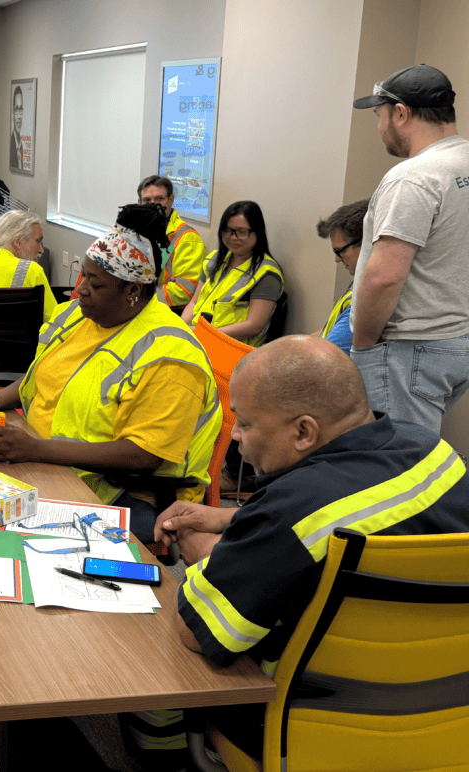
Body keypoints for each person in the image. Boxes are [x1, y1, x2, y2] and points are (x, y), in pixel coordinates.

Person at [155, 335, 469, 756]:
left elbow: (201, 631)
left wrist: (199, 544)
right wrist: (238, 519)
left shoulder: (292, 513)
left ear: (304, 431)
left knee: (155, 644)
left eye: (245, 423)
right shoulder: (429, 446)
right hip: (446, 710)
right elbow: (360, 514)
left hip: (301, 724)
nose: (236, 439)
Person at [0, 204, 222, 543]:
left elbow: (142, 455)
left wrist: (36, 449)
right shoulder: (80, 315)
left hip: (112, 491)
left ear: (133, 291)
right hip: (44, 463)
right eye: (83, 276)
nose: (81, 289)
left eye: (96, 283)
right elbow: (39, 378)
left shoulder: (170, 355)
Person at [350, 64, 469, 441]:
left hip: (409, 348)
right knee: (419, 453)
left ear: (400, 113)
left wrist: (364, 345)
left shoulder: (414, 177)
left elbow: (385, 276)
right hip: (458, 340)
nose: (380, 127)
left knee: (396, 465)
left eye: (379, 116)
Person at [181, 200, 283, 346]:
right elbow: (194, 302)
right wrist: (181, 327)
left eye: (241, 232)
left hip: (231, 348)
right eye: (227, 230)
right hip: (198, 336)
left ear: (257, 232)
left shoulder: (266, 274)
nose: (232, 237)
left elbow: (254, 325)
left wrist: (202, 333)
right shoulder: (213, 260)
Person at [136, 175, 207, 311]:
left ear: (171, 200)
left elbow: (185, 291)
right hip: (140, 304)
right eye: (147, 200)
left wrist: (138, 296)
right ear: (140, 203)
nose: (153, 204)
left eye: (160, 199)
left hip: (166, 311)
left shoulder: (187, 238)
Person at [312, 200, 369, 353]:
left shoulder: (366, 298)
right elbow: (325, 333)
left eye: (340, 250)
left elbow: (329, 353)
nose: (337, 259)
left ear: (367, 243)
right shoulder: (358, 284)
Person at [10, 86, 24, 170]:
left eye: (21, 109)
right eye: (17, 110)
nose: (19, 116)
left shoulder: (21, 145)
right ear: (12, 113)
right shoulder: (12, 144)